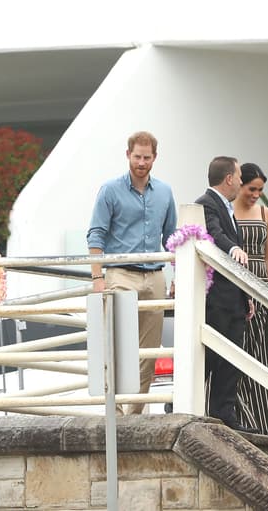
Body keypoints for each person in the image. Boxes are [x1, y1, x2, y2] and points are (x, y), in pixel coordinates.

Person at [87, 131, 178, 415]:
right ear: (128, 155)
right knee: (119, 343)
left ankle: (133, 416)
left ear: (155, 158)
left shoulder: (165, 192)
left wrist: (178, 278)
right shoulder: (110, 190)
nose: (141, 162)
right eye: (137, 156)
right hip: (120, 273)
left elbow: (173, 238)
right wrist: (97, 277)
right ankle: (113, 411)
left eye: (146, 157)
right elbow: (96, 235)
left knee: (148, 352)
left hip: (155, 275)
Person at [195, 156, 253, 430]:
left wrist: (247, 296)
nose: (242, 182)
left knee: (231, 359)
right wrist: (233, 249)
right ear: (229, 178)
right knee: (211, 357)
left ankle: (224, 412)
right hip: (216, 298)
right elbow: (215, 234)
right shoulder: (205, 204)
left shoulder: (228, 207)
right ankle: (183, 404)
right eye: (240, 176)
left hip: (235, 299)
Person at [232, 162, 268, 434]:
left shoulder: (265, 213)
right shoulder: (227, 212)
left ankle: (262, 422)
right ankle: (242, 418)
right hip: (239, 289)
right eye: (252, 188)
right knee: (243, 353)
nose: (256, 194)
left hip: (262, 289)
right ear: (239, 184)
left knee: (264, 354)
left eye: (260, 190)